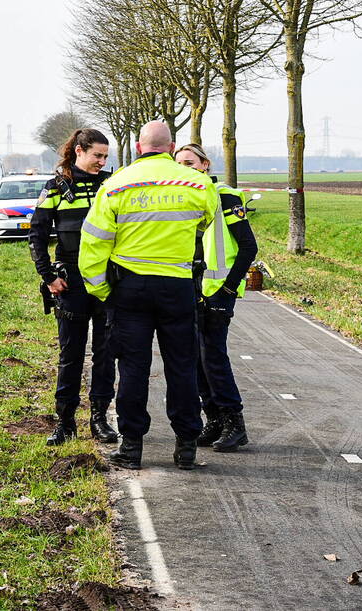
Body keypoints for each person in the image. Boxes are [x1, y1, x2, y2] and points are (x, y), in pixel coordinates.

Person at [79, 121, 219, 470]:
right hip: (177, 286)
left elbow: (94, 244)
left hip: (130, 289)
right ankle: (186, 446)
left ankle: (132, 448)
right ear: (172, 148)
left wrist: (102, 289)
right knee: (182, 367)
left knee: (132, 369)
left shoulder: (114, 186)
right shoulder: (198, 184)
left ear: (139, 148)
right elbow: (204, 226)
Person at [28, 128, 118, 446]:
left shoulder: (112, 185)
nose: (102, 161)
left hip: (107, 282)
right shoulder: (55, 187)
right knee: (71, 355)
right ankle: (65, 423)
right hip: (71, 284)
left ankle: (99, 420)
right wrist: (48, 276)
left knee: (106, 355)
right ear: (79, 150)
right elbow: (36, 235)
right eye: (97, 155)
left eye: (106, 156)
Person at [174, 144, 259, 452]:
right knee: (197, 357)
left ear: (205, 164)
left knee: (213, 357)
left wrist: (227, 289)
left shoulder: (225, 196)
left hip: (218, 292)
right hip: (191, 290)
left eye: (190, 162)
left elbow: (249, 247)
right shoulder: (183, 200)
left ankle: (235, 424)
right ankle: (214, 420)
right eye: (179, 163)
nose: (185, 168)